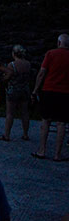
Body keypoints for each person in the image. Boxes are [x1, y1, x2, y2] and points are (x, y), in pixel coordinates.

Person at [32, 33, 69, 161]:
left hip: (48, 90)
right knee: (61, 123)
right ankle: (57, 154)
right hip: (65, 92)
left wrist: (36, 89)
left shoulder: (50, 54)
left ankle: (42, 150)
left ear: (58, 43)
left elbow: (42, 73)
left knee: (46, 120)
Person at [0, 45, 31, 141]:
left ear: (14, 53)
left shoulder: (11, 65)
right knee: (25, 112)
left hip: (13, 90)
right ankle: (25, 134)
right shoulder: (28, 64)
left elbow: (7, 77)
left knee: (10, 113)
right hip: (24, 89)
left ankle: (7, 135)